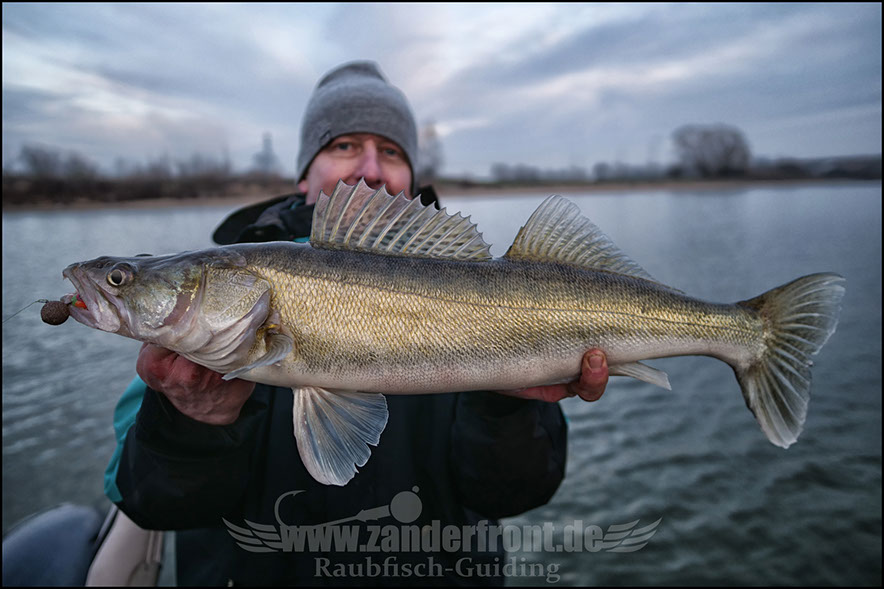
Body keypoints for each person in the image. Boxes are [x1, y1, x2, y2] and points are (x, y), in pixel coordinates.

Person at [106, 61, 609, 586]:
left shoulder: (498, 295)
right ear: (305, 174)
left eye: (391, 151)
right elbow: (148, 502)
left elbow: (515, 494)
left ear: (411, 177)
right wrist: (189, 423)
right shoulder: (188, 341)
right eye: (344, 145)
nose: (370, 169)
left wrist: (505, 407)